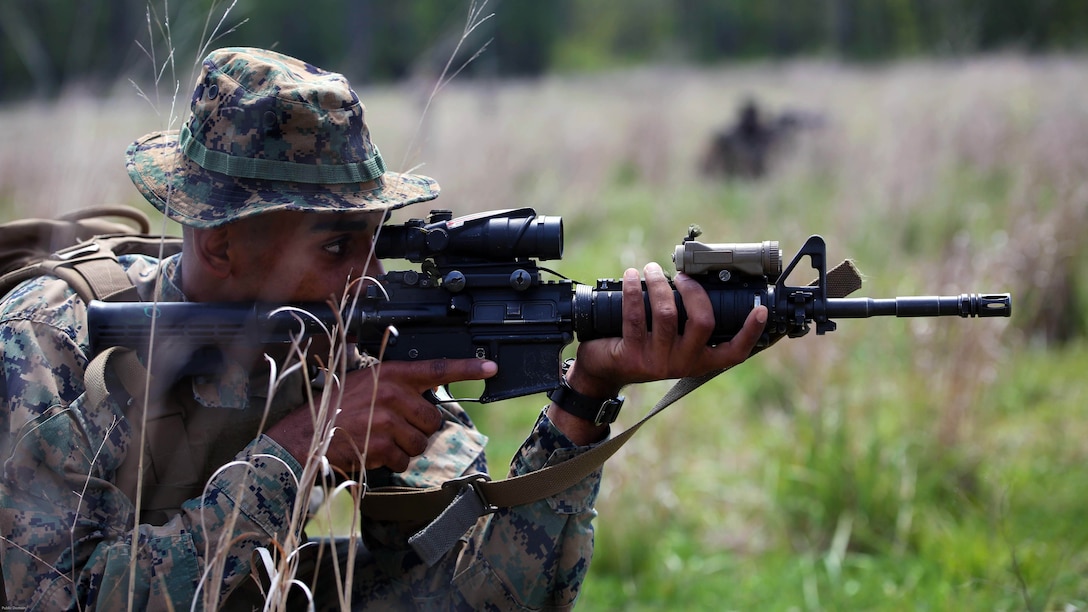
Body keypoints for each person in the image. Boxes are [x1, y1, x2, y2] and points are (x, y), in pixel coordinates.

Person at [0, 47, 766, 610]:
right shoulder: (50, 349)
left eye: (378, 239)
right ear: (220, 242)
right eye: (336, 247)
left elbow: (486, 594)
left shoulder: (364, 336)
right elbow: (52, 600)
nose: (369, 278)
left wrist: (585, 398)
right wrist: (296, 456)